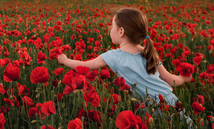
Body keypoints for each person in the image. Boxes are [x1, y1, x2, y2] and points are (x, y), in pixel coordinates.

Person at [57, 7, 192, 109]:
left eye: (112, 26)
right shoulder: (149, 52)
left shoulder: (114, 56)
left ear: (121, 31)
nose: (110, 29)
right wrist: (183, 78)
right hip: (171, 102)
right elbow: (169, 79)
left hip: (151, 108)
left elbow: (85, 66)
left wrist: (65, 60)